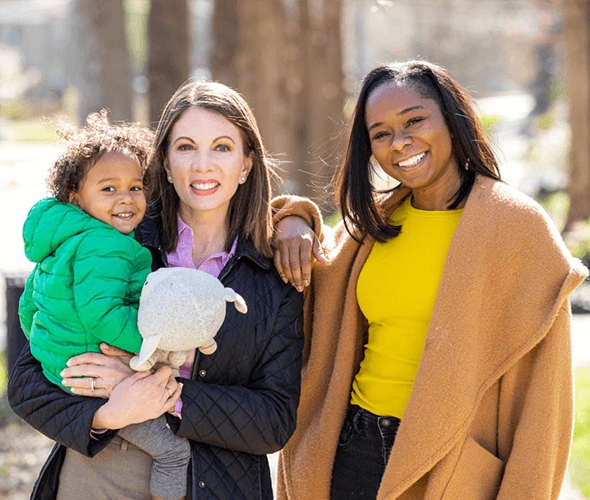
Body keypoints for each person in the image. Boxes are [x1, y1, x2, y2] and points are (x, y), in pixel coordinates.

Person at [270, 60, 588, 499]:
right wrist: (293, 221)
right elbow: (310, 263)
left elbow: (546, 406)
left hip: (452, 466)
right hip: (353, 452)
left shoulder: (518, 228)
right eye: (380, 133)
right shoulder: (372, 225)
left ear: (452, 121)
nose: (400, 143)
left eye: (415, 120)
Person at [8, 81, 304, 500]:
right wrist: (108, 413)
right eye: (185, 147)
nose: (203, 165)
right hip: (102, 472)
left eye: (222, 147)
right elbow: (25, 382)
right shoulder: (120, 241)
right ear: (164, 163)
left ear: (246, 164)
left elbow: (274, 420)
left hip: (219, 483)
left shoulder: (276, 272)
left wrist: (160, 393)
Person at [17, 110, 191, 500]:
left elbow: (29, 306)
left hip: (59, 366)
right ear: (76, 197)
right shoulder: (107, 244)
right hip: (93, 379)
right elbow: (102, 314)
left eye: (135, 187)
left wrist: (51, 341)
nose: (126, 199)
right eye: (108, 189)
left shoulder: (63, 241)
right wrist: (154, 347)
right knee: (173, 451)